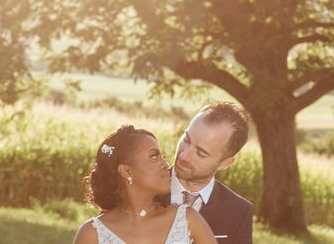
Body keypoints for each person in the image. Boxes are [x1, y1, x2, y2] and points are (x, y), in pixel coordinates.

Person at [73, 124, 217, 244]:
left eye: (163, 157)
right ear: (127, 171)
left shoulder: (187, 219)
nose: (165, 164)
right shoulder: (92, 235)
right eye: (154, 156)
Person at [168, 102, 253, 243]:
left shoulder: (239, 211)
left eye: (200, 153)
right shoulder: (138, 187)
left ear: (225, 163)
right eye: (186, 140)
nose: (184, 156)